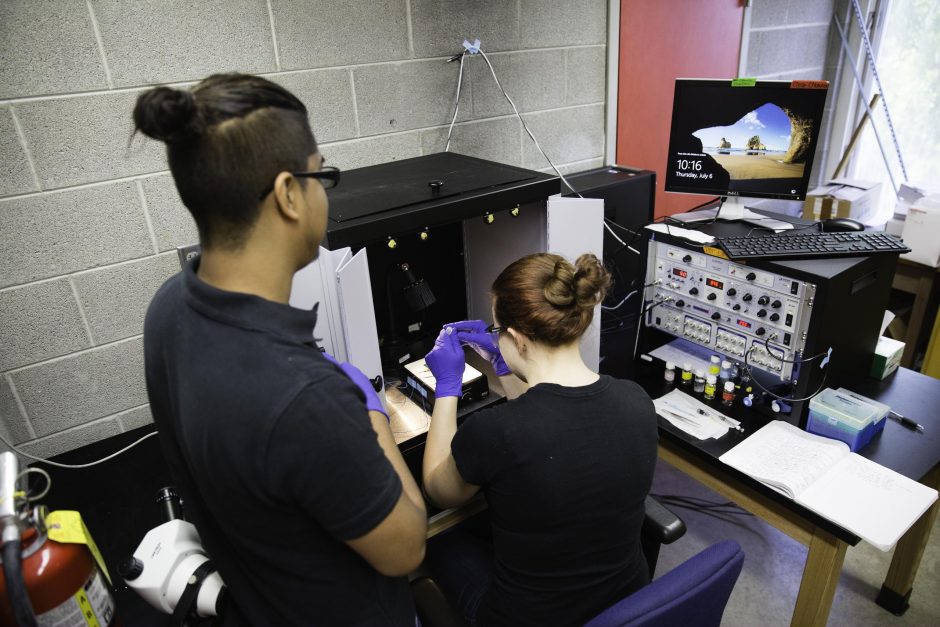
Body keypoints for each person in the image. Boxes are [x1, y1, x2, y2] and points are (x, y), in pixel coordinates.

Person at [136, 73, 426, 626]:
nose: (324, 191)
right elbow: (407, 548)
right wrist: (370, 413)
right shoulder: (308, 398)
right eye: (322, 175)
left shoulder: (169, 306)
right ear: (289, 194)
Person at [421, 253, 658, 626]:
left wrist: (447, 387)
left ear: (517, 338)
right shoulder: (637, 401)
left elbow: (439, 489)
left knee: (434, 542)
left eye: (499, 331)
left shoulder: (495, 432)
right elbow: (544, 410)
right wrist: (504, 362)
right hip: (624, 603)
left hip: (528, 618)